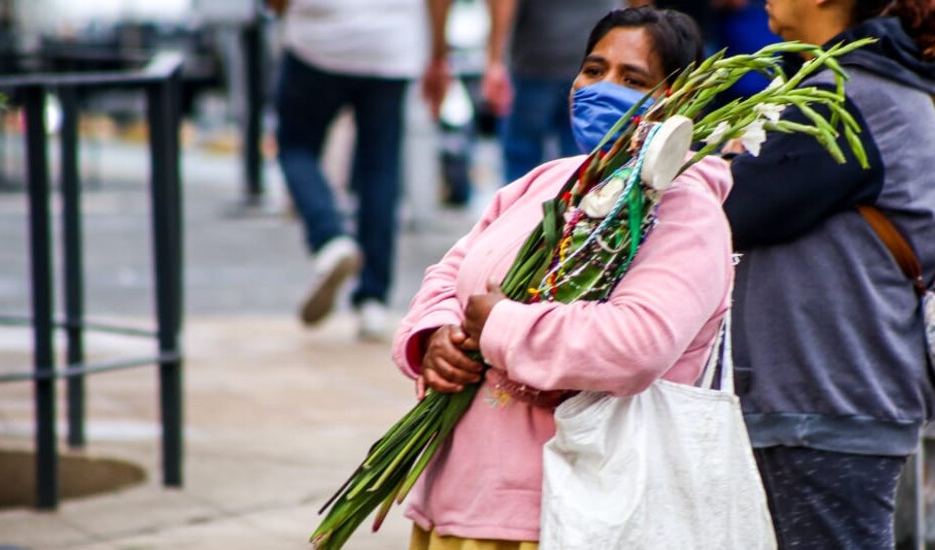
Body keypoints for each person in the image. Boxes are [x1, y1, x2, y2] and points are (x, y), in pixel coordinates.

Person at [391, 8, 725, 548]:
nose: (601, 88)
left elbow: (637, 343)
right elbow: (452, 269)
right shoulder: (547, 180)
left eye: (632, 79)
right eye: (593, 70)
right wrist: (434, 337)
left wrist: (501, 327)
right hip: (460, 496)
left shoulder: (685, 211)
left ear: (677, 102)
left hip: (562, 512)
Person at [722, 0, 935, 547]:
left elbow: (734, 209)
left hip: (828, 407)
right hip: (836, 402)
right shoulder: (875, 85)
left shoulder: (851, 96)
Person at [268, 0, 450, 340]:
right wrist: (439, 54)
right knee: (379, 168)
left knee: (296, 147)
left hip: (317, 39)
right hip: (390, 46)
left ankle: (329, 239)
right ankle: (373, 301)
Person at [481, 0, 629, 184]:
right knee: (583, 168)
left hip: (535, 61)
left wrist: (495, 59)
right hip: (592, 62)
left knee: (521, 172)